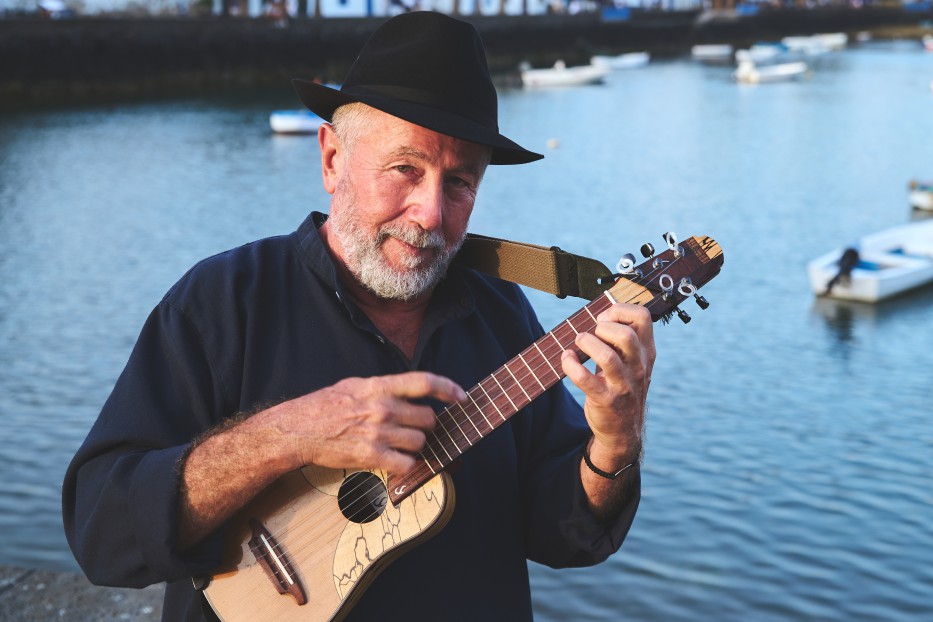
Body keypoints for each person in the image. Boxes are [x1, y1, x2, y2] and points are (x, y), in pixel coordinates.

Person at [62, 11, 654, 622]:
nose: (429, 213)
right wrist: (289, 433)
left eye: (459, 183)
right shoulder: (221, 302)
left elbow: (562, 536)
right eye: (405, 169)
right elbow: (103, 534)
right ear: (332, 158)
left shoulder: (503, 312)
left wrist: (615, 442)